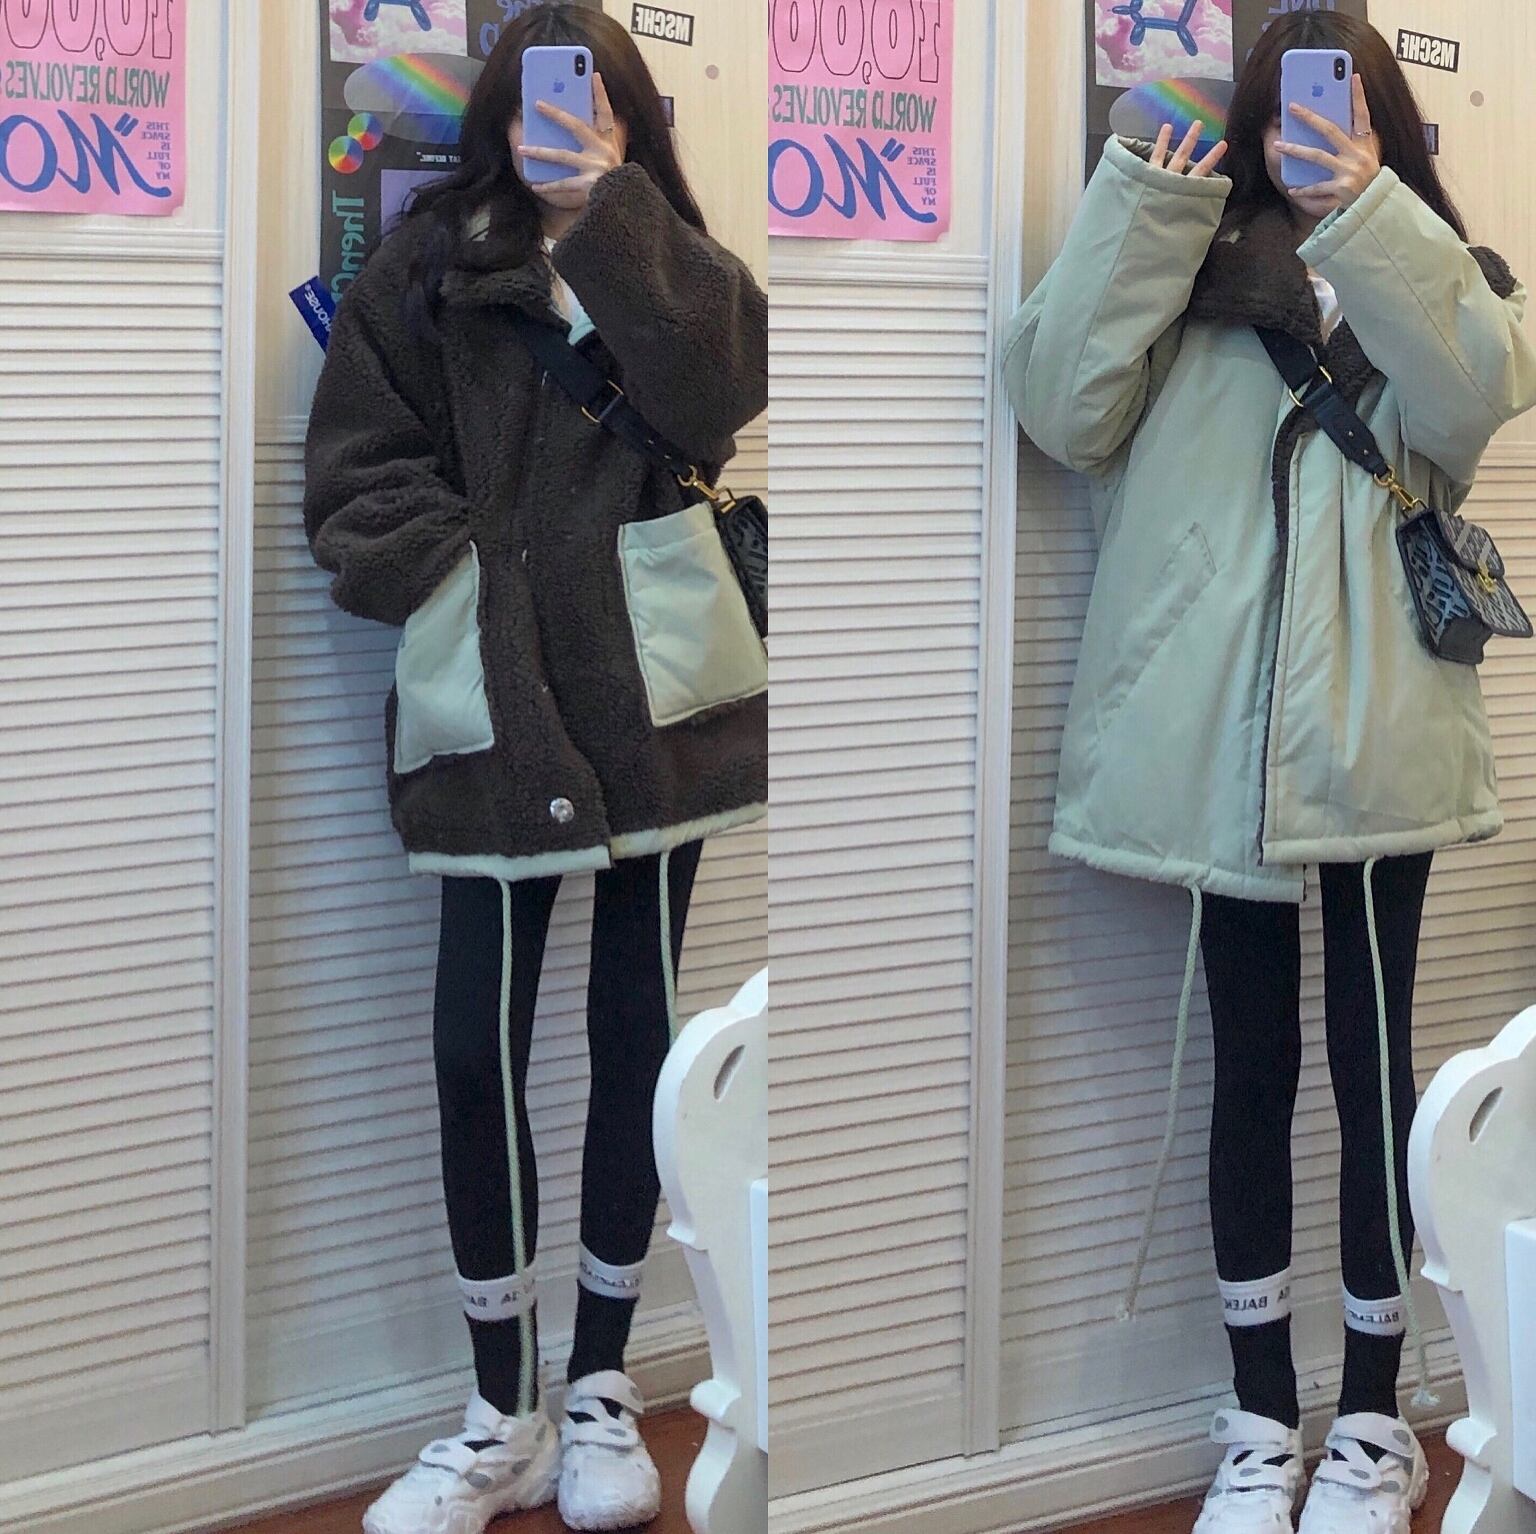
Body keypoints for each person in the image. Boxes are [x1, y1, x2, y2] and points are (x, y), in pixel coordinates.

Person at [1004, 13, 1536, 1534]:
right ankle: (1257, 1417)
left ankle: (1373, 1417)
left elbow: (1473, 401)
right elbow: (1058, 406)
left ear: (1385, 119)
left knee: (1376, 1071)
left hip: (1375, 724)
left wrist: (1371, 212)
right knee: (1251, 1067)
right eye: (1295, 104)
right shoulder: (1181, 269)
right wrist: (1144, 205)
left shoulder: (1444, 276)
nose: (1315, 125)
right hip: (1217, 731)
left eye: (1346, 102)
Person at [302, 6, 767, 1532]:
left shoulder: (675, 259)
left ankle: (603, 1384)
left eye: (595, 102)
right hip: (490, 691)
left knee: (637, 1028)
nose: (562, 123)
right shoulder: (424, 272)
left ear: (630, 119)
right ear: (497, 116)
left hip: (658, 691)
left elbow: (718, 397)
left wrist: (615, 221)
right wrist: (462, 586)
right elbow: (354, 474)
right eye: (538, 102)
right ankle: (498, 1406)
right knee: (471, 1046)